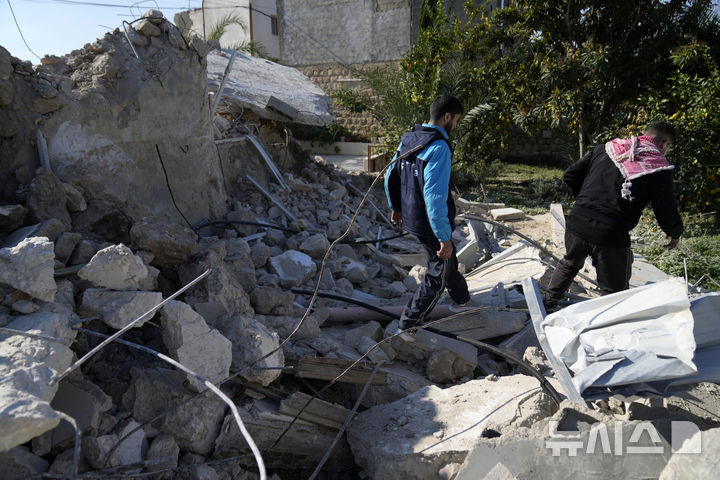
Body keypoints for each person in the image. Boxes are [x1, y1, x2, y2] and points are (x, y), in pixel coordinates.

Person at [543, 120, 684, 310]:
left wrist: (587, 203)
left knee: (569, 263)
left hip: (577, 221)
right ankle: (611, 329)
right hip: (610, 234)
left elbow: (570, 176)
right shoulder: (658, 167)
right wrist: (674, 232)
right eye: (668, 147)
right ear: (664, 143)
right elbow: (665, 209)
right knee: (614, 292)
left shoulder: (607, 149)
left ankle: (547, 305)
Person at [384, 94, 470, 340]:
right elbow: (434, 197)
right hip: (429, 222)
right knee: (437, 273)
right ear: (447, 117)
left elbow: (391, 174)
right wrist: (444, 236)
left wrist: (396, 207)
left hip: (412, 217)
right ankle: (408, 324)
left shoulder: (409, 139)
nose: (456, 126)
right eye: (456, 120)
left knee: (446, 262)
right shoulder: (439, 147)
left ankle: (462, 299)